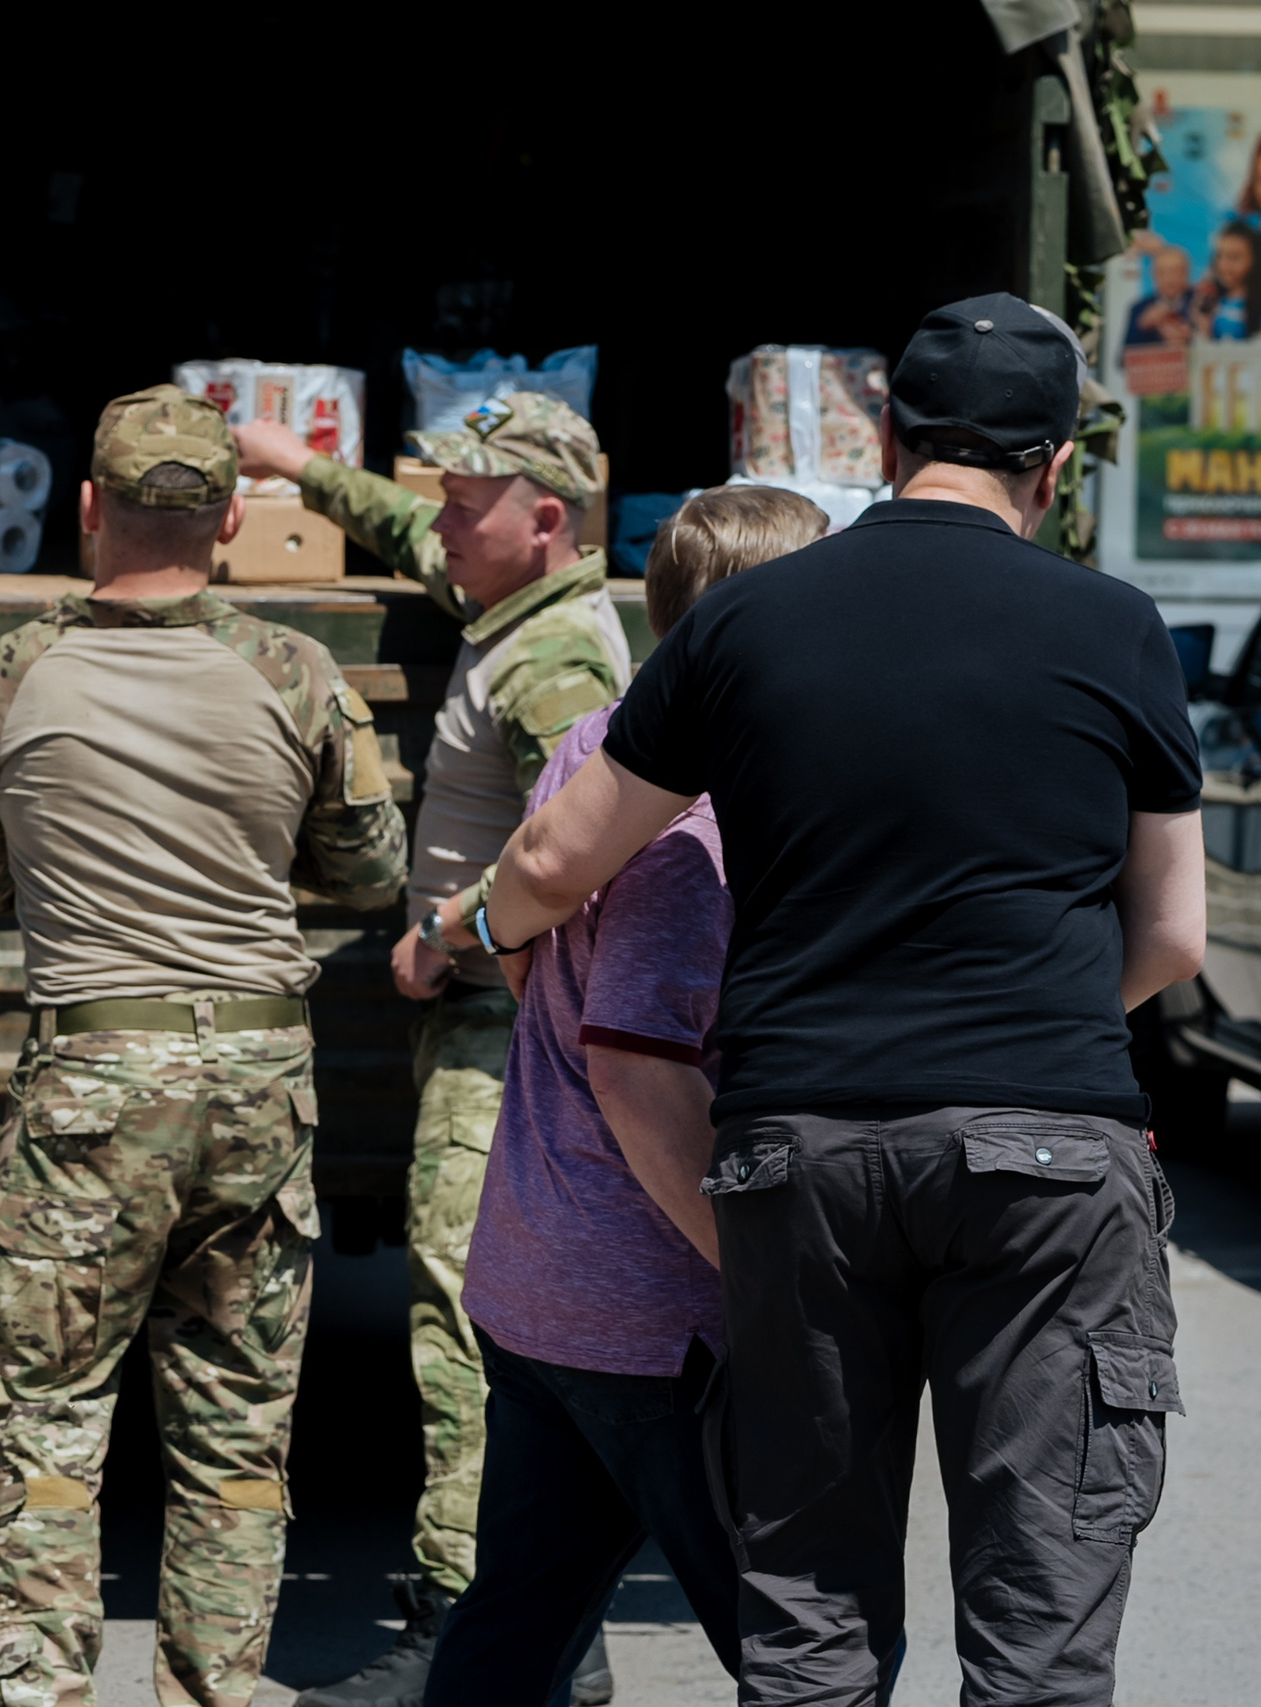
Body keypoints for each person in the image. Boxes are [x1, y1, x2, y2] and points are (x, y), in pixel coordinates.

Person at [483, 293, 1205, 1705]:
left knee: (811, 1603)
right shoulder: (1117, 628)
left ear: (886, 440)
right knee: (1040, 1617)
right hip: (1047, 1157)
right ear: (1054, 465)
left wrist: (490, 931)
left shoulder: (747, 621)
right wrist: (1040, 1023)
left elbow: (561, 855)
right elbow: (1175, 932)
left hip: (801, 1144)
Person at [0, 384, 408, 1707]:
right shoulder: (296, 673)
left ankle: (40, 1691)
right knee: (235, 1433)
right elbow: (373, 868)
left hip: (90, 1085)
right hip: (259, 1087)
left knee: (44, 1416)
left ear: (89, 508)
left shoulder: (6, 675)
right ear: (234, 515)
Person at [237, 394, 630, 1707]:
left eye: (472, 507)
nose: (446, 527)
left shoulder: (554, 662)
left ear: (550, 520)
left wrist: (446, 932)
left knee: (468, 1321)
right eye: (451, 504)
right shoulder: (510, 600)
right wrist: (293, 463)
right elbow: (410, 518)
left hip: (510, 1034)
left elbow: (588, 850)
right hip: (494, 1022)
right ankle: (548, 1632)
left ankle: (470, 1623)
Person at [424, 485, 827, 1707]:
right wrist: (764, 1280)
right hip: (658, 1318)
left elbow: (514, 939)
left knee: (516, 1626)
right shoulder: (694, 828)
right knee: (805, 1645)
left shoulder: (596, 746)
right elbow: (639, 1066)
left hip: (543, 1283)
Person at [1125, 245, 1195, 347]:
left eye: (1175, 271)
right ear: (1154, 275)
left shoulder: (1202, 302)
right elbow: (1123, 358)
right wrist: (1143, 327)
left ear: (1187, 273)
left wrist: (1192, 336)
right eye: (1163, 272)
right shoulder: (1138, 309)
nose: (1169, 279)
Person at [1196, 224, 1256, 341]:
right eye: (1220, 256)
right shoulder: (1211, 298)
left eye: (1234, 257)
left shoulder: (1255, 302)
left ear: (1254, 259)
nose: (1224, 265)